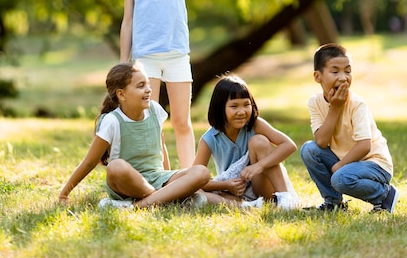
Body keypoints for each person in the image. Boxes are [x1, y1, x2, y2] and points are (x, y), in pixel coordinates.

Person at [118, 0, 258, 167]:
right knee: (152, 122)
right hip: (145, 59)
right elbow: (127, 22)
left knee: (181, 121)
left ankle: (189, 175)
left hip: (176, 56)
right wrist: (123, 63)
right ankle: (162, 176)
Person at [59, 62, 210, 209]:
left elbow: (161, 145)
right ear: (121, 94)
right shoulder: (112, 121)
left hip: (157, 178)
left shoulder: (154, 110)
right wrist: (64, 193)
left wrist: (168, 176)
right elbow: (89, 162)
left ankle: (138, 206)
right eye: (141, 86)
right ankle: (163, 199)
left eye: (148, 84)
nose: (148, 90)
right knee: (116, 166)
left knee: (201, 172)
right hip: (126, 184)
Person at [300, 43, 399, 213]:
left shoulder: (356, 104)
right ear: (318, 77)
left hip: (373, 163)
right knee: (309, 149)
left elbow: (364, 145)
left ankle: (385, 195)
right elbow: (322, 142)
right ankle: (333, 203)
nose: (344, 77)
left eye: (348, 71)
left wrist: (339, 166)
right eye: (335, 71)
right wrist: (335, 109)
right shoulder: (315, 102)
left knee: (340, 179)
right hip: (347, 161)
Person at [193, 74, 300, 209]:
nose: (242, 111)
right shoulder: (209, 139)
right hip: (234, 191)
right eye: (234, 106)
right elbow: (194, 179)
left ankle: (285, 199)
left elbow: (289, 145)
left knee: (259, 141)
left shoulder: (254, 124)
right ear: (220, 108)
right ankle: (246, 206)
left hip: (262, 186)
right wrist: (226, 185)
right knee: (196, 191)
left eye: (246, 105)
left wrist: (259, 166)